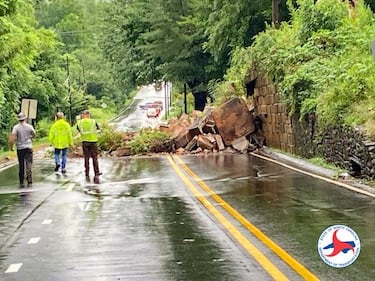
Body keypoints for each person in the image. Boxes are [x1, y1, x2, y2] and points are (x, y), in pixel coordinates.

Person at [9, 112, 36, 187]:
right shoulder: (29, 126)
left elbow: (12, 138)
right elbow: (34, 134)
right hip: (28, 147)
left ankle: (21, 180)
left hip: (20, 148)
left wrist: (11, 147)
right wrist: (31, 137)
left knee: (21, 164)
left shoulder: (16, 127)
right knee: (29, 163)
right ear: (25, 118)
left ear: (18, 119)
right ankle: (29, 178)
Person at [76, 110, 101, 184]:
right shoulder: (93, 121)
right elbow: (98, 128)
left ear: (83, 115)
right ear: (88, 115)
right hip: (93, 141)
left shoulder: (79, 122)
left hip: (85, 142)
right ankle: (96, 172)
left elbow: (79, 130)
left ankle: (87, 172)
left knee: (86, 158)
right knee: (94, 157)